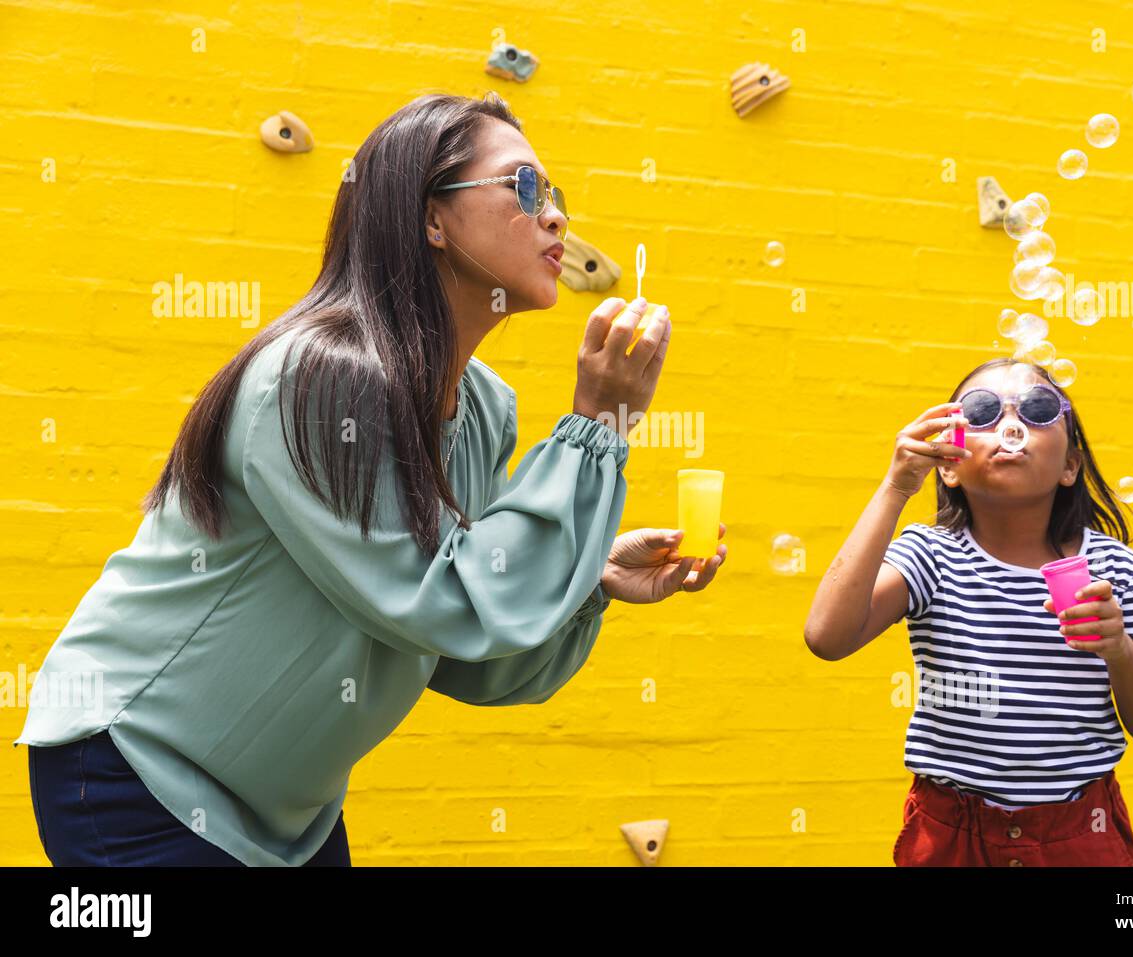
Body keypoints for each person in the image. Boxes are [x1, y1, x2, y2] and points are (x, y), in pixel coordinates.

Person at [17, 91, 727, 866]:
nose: (554, 217)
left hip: (292, 815)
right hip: (140, 772)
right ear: (430, 217)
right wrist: (599, 421)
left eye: (555, 197)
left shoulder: (485, 407)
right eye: (524, 188)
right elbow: (454, 603)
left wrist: (586, 581)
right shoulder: (319, 378)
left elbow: (458, 644)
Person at [804, 358, 1133, 866]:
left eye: (1039, 408)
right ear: (950, 465)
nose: (1011, 424)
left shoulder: (1112, 566)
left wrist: (1119, 649)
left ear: (1070, 465)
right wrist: (896, 487)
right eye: (980, 411)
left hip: (1080, 835)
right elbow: (827, 636)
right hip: (952, 836)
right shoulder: (930, 557)